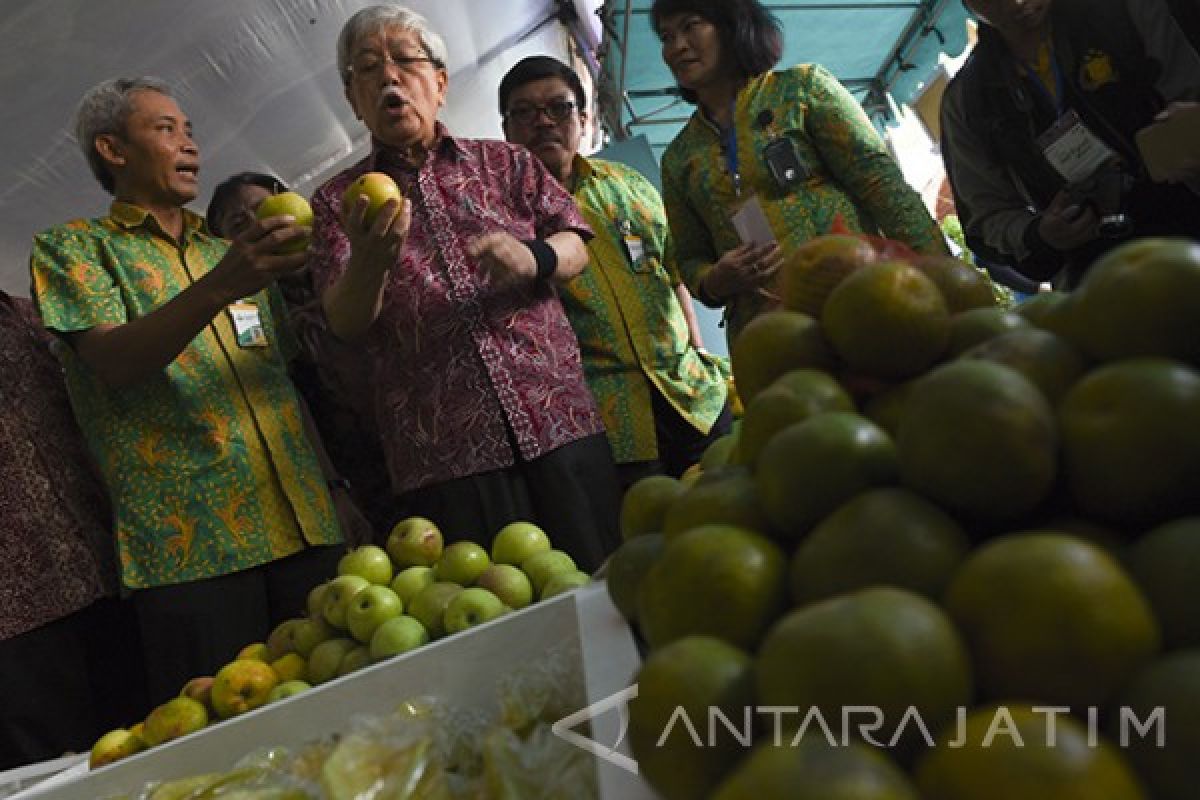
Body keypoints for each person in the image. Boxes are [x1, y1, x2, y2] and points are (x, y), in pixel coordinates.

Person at [29, 77, 344, 705]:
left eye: (191, 130)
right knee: (229, 742)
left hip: (304, 525)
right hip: (194, 553)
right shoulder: (74, 250)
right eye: (166, 129)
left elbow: (279, 380)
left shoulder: (229, 251)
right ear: (113, 149)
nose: (191, 144)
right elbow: (115, 362)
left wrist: (334, 492)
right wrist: (218, 288)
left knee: (343, 706)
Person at [311, 6, 621, 571]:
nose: (389, 78)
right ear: (353, 99)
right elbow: (345, 320)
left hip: (556, 419)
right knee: (498, 613)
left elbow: (576, 242)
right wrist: (371, 261)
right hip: (445, 454)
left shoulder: (507, 162)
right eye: (367, 70)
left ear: (441, 82)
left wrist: (535, 257)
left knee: (605, 580)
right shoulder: (337, 203)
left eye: (406, 62)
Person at [651, 0, 948, 345]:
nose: (677, 47)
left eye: (690, 26)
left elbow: (884, 187)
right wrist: (714, 280)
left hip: (860, 300)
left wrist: (942, 280)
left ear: (732, 26)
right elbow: (689, 257)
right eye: (666, 37)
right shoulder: (678, 158)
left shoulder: (801, 90)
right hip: (767, 338)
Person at [498, 56, 732, 486]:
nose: (544, 121)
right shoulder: (502, 217)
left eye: (559, 107)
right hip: (608, 424)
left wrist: (699, 352)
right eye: (525, 112)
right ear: (507, 131)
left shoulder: (629, 184)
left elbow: (673, 272)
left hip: (693, 398)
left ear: (584, 119)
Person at [940, 0, 1200, 287]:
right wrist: (1040, 235)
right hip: (1101, 283)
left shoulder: (1123, 12)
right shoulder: (968, 100)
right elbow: (986, 218)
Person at [0, 290, 146, 768]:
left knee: (139, 749)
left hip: (102, 573)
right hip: (14, 618)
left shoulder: (34, 317)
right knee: (49, 776)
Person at [207, 173, 390, 540]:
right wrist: (334, 487)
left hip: (414, 431)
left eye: (265, 209)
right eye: (240, 224)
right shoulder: (246, 310)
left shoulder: (349, 256)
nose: (262, 226)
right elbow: (280, 393)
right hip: (347, 461)